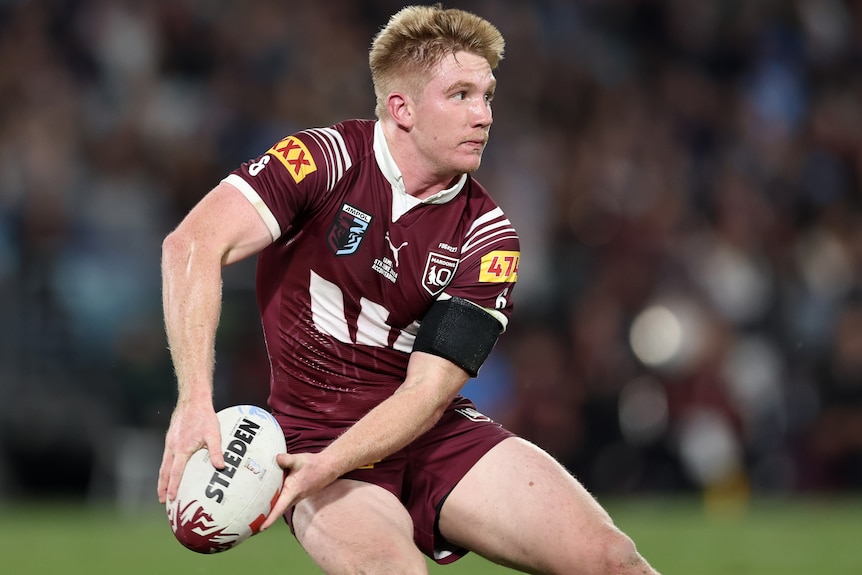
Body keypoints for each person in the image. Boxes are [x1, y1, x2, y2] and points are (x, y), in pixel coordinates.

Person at [157, 5, 661, 574]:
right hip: (309, 435)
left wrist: (332, 462)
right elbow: (192, 245)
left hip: (429, 433)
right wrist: (195, 399)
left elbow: (426, 394)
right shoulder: (325, 161)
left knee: (612, 561)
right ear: (403, 108)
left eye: (487, 96)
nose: (484, 116)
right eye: (461, 95)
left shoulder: (489, 239)